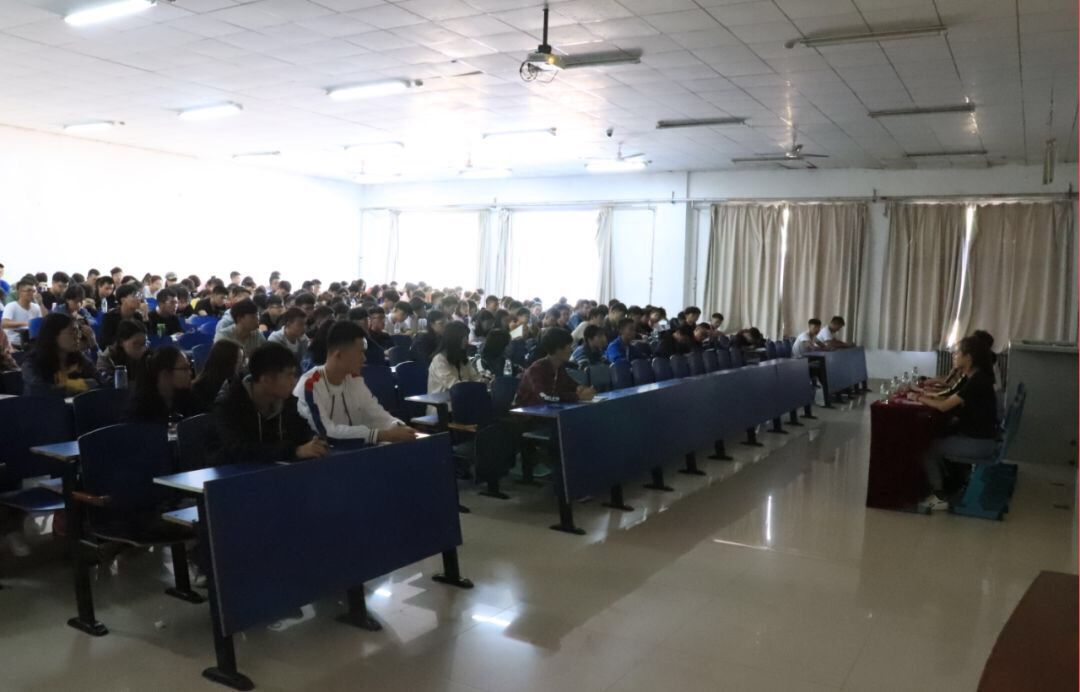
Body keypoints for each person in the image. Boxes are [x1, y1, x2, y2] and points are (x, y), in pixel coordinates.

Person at [293, 321, 417, 445]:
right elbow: (326, 432)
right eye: (360, 352)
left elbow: (377, 414)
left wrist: (399, 426)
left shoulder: (354, 379)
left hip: (356, 451)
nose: (364, 358)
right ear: (339, 355)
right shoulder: (310, 385)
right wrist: (382, 435)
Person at [912, 336, 1000, 510]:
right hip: (983, 438)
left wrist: (917, 397)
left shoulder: (977, 381)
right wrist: (926, 396)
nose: (954, 355)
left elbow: (944, 406)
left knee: (926, 446)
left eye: (958, 352)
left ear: (969, 357)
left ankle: (939, 495)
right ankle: (950, 483)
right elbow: (950, 398)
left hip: (980, 443)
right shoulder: (976, 377)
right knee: (936, 434)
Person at [214, 343, 329, 465]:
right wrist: (294, 451)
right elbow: (239, 450)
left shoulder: (288, 401)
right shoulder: (228, 405)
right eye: (289, 375)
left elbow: (303, 431)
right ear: (266, 379)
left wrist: (314, 441)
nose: (294, 381)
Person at [21, 313, 98, 397]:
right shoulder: (32, 362)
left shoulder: (78, 358)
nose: (78, 336)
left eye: (78, 331)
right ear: (53, 335)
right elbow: (42, 390)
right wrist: (78, 385)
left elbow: (99, 382)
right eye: (72, 332)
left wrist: (66, 384)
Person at [515, 327, 595, 407]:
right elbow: (545, 396)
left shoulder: (559, 368)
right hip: (528, 412)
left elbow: (572, 385)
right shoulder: (535, 370)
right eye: (569, 346)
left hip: (546, 411)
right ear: (558, 349)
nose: (571, 350)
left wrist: (583, 389)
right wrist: (577, 396)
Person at [126, 346, 203, 423]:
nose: (190, 373)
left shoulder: (191, 400)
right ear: (165, 374)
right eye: (184, 369)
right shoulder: (140, 410)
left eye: (190, 367)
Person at [428, 321, 483, 399]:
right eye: (464, 337)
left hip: (462, 399)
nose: (466, 341)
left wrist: (484, 381)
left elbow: (475, 377)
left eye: (467, 337)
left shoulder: (462, 357)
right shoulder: (439, 360)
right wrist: (474, 386)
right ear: (454, 338)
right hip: (443, 403)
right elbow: (454, 385)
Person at [192, 339, 243, 408]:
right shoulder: (200, 388)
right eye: (238, 362)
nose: (242, 366)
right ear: (227, 362)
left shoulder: (235, 381)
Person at [99, 283, 148, 349]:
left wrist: (145, 315)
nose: (139, 299)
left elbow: (145, 336)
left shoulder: (138, 316)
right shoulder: (110, 317)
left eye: (139, 296)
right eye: (134, 296)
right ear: (123, 300)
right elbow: (105, 340)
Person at [2, 278, 43, 348]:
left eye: (34, 291)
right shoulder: (11, 306)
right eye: (28, 291)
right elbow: (4, 324)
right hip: (13, 343)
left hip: (32, 342)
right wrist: (26, 324)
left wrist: (41, 303)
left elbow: (43, 322)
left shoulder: (36, 307)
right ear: (19, 292)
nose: (32, 293)